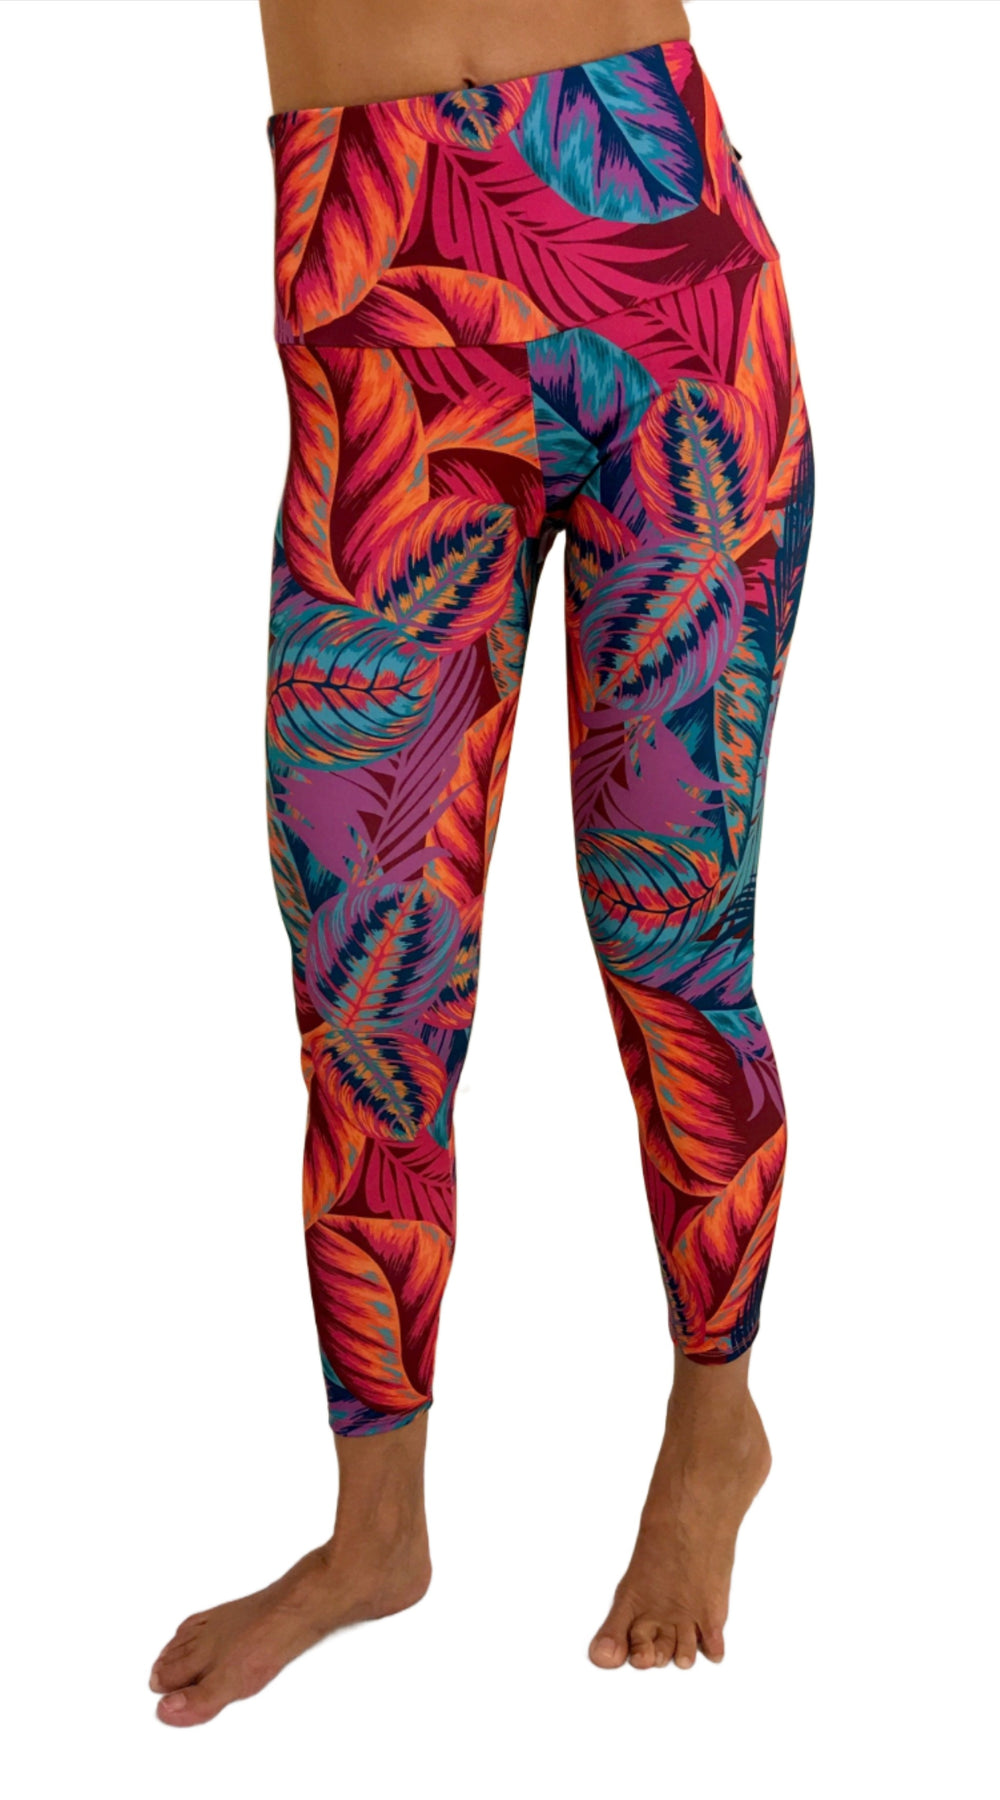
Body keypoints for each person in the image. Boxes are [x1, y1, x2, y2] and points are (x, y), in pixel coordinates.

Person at [149, 0, 814, 1726]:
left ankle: (716, 1417)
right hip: (373, 304)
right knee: (367, 976)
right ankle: (376, 1532)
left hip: (660, 262)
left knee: (673, 938)